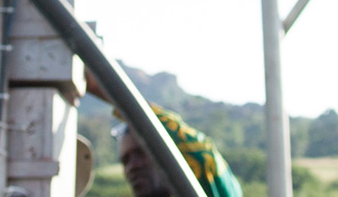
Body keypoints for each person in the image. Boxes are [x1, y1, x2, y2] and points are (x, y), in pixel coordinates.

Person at [88, 73, 241, 197]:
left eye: (141, 153)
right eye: (125, 160)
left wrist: (97, 84)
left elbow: (200, 152)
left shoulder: (212, 186)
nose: (132, 166)